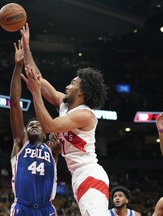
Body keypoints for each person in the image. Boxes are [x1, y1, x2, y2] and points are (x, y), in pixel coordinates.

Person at [20, 23, 110, 215]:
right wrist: (27, 47)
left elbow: (48, 126)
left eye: (72, 83)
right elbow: (37, 78)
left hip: (90, 174)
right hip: (78, 176)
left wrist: (35, 94)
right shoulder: (65, 105)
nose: (67, 86)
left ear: (82, 92)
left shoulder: (85, 114)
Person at [9, 39, 58, 215]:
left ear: (46, 132)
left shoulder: (53, 148)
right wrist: (18, 67)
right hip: (22, 208)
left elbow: (61, 112)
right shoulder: (21, 142)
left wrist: (38, 91)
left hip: (47, 209)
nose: (35, 124)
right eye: (31, 124)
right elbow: (15, 104)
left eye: (39, 123)